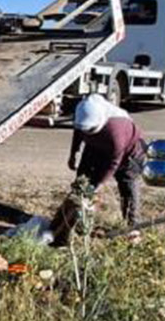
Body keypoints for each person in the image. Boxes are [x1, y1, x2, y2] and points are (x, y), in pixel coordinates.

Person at [50, 94, 146, 245]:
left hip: (129, 153)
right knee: (82, 184)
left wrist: (98, 186)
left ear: (99, 123)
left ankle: (132, 229)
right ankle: (65, 223)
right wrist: (73, 153)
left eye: (91, 130)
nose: (86, 132)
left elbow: (113, 164)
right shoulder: (84, 116)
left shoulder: (116, 132)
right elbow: (79, 131)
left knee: (127, 186)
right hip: (96, 147)